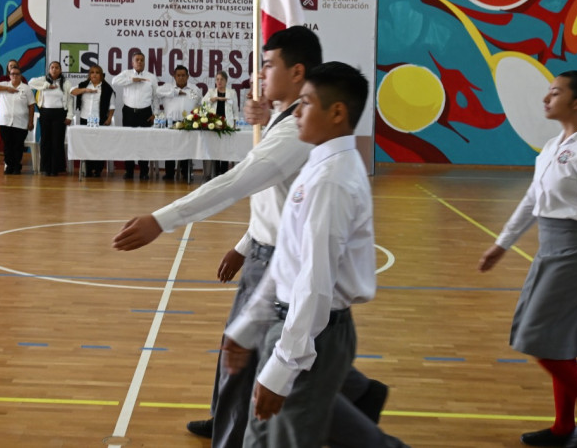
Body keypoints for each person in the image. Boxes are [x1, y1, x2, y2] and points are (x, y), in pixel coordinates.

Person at [114, 27, 395, 448]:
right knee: (278, 380)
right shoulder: (301, 137)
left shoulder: (314, 159)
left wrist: (162, 219)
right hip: (279, 276)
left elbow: (242, 185)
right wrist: (246, 248)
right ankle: (256, 415)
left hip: (299, 297)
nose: (260, 74)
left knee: (282, 390)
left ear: (298, 72)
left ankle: (234, 427)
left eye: (268, 65)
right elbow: (278, 208)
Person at [222, 61, 375, 447]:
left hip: (312, 333)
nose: (297, 112)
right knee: (268, 435)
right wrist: (248, 326)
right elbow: (286, 260)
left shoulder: (332, 179)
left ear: (337, 112)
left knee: (276, 440)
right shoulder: (318, 164)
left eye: (306, 103)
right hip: (295, 326)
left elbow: (314, 282)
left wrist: (282, 368)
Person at [478, 71, 577, 448]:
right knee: (558, 342)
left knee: (540, 339)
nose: (546, 98)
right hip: (550, 249)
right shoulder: (554, 147)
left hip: (575, 254)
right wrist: (502, 243)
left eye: (555, 92)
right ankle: (562, 427)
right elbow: (532, 200)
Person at [111, 51, 157, 179]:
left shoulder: (151, 77)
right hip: (129, 112)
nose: (139, 62)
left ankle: (144, 172)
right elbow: (114, 81)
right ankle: (129, 171)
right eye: (137, 60)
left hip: (145, 112)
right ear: (132, 62)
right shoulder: (126, 74)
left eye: (142, 60)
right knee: (128, 141)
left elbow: (156, 97)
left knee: (144, 142)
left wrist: (156, 114)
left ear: (144, 62)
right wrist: (132, 80)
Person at [157, 65, 201, 181]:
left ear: (188, 76)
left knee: (186, 149)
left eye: (183, 75)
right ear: (174, 76)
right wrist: (175, 92)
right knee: (170, 148)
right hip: (171, 123)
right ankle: (169, 173)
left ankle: (185, 172)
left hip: (187, 123)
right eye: (178, 75)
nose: (181, 78)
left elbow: (198, 102)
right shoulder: (168, 87)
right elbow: (157, 93)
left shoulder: (193, 90)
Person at [28, 61, 73, 176]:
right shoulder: (43, 80)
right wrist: (46, 85)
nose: (54, 70)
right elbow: (30, 83)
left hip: (60, 114)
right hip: (45, 113)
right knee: (45, 141)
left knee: (57, 141)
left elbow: (70, 100)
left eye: (57, 68)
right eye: (52, 67)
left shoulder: (66, 83)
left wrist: (69, 116)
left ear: (60, 70)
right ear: (49, 70)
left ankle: (56, 168)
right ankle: (46, 168)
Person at [70, 64, 114, 177]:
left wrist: (109, 118)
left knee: (99, 145)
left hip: (100, 120)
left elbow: (112, 106)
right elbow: (72, 92)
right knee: (87, 145)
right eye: (92, 72)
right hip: (85, 119)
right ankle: (88, 169)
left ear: (101, 75)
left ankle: (98, 169)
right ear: (89, 75)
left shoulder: (107, 88)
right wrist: (85, 90)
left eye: (97, 72)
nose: (94, 74)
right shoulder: (83, 85)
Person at [0, 68, 34, 175]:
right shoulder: (4, 85)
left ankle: (17, 166)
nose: (15, 76)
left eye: (17, 74)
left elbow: (31, 106)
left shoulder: (26, 88)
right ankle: (9, 166)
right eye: (12, 74)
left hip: (20, 122)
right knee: (7, 145)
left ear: (20, 75)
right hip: (5, 121)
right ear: (9, 75)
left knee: (18, 145)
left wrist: (30, 122)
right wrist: (7, 88)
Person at [204, 70, 238, 176]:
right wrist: (214, 99)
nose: (219, 82)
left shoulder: (232, 93)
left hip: (226, 124)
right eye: (217, 79)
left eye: (222, 79)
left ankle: (224, 172)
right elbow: (203, 103)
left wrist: (234, 122)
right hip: (213, 124)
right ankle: (215, 171)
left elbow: (235, 109)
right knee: (215, 149)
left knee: (225, 149)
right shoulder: (211, 92)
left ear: (226, 81)